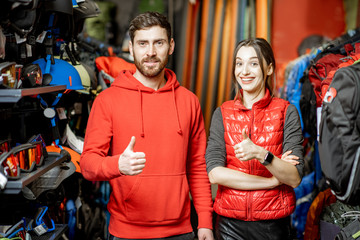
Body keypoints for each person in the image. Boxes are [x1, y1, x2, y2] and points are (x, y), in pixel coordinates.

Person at [80, 11, 214, 240]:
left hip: (181, 231)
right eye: (143, 43)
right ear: (131, 48)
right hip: (126, 232)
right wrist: (117, 165)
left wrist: (205, 222)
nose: (150, 52)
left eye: (158, 43)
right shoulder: (108, 100)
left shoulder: (188, 101)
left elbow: (198, 166)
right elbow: (88, 164)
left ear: (171, 46)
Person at [205, 38, 304, 240]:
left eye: (253, 63)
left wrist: (261, 154)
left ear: (268, 69)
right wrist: (271, 181)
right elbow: (215, 174)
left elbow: (293, 178)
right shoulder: (222, 113)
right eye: (239, 63)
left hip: (273, 224)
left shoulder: (286, 112)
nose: (245, 71)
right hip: (229, 225)